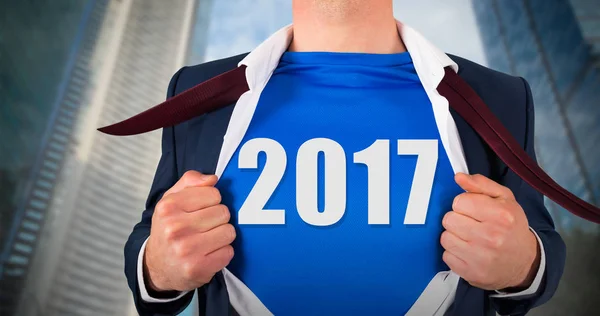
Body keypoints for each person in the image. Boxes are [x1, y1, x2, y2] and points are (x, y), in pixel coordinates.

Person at [121, 1, 566, 315]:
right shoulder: (197, 91)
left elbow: (540, 241)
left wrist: (524, 263)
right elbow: (151, 237)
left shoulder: (499, 96)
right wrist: (158, 265)